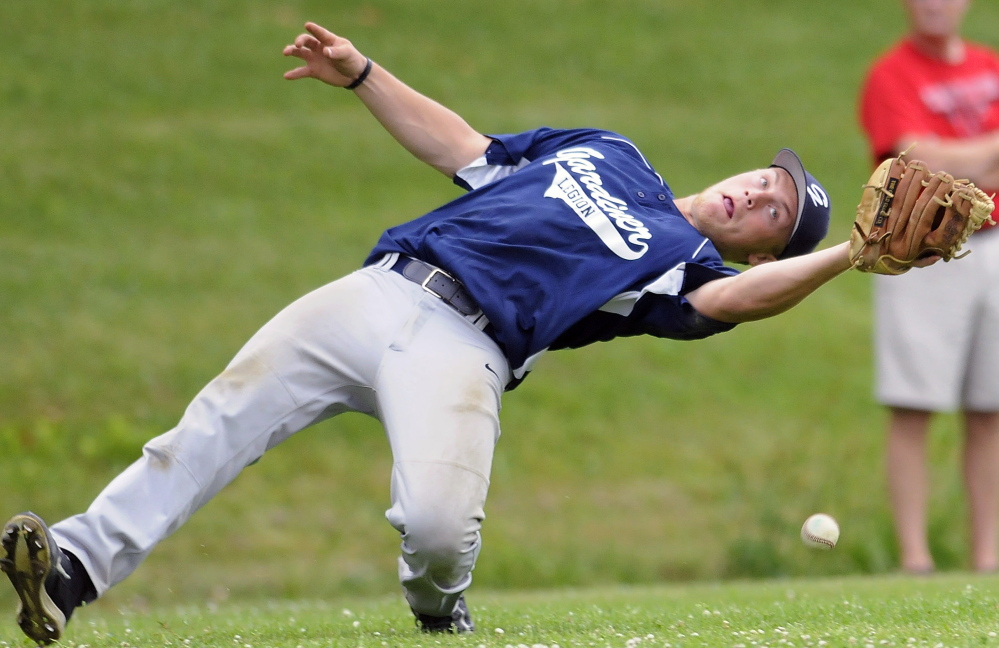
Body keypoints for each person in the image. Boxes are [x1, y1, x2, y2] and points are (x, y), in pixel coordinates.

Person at [5, 19, 887, 645]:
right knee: (216, 419)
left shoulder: (684, 268)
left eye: (774, 214)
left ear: (760, 246)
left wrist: (848, 252)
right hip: (380, 291)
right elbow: (467, 148)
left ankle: (438, 607)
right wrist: (362, 74)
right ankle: (72, 571)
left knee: (435, 527)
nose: (758, 196)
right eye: (767, 180)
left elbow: (740, 302)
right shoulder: (610, 151)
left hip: (467, 351)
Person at [858, 0, 999, 574]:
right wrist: (986, 154)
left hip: (997, 248)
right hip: (924, 253)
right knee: (914, 404)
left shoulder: (991, 64)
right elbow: (919, 159)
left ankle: (987, 559)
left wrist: (965, 162)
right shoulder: (891, 74)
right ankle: (915, 559)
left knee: (991, 410)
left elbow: (952, 160)